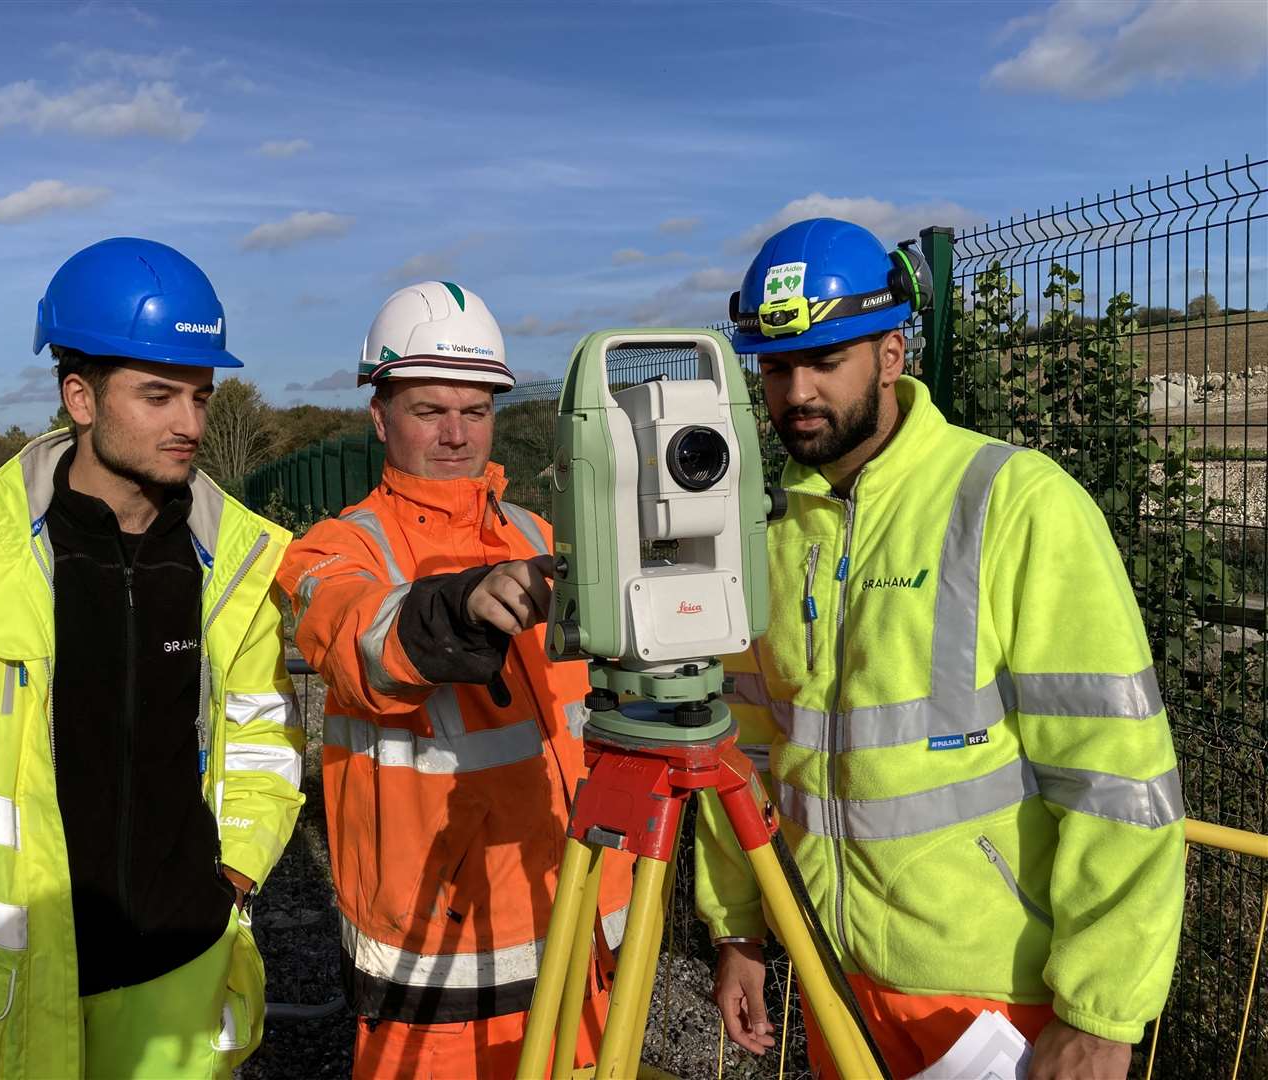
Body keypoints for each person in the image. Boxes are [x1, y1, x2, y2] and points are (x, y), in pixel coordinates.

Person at [698, 218, 1184, 1079]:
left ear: (891, 354)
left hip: (997, 996)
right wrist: (739, 927)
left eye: (825, 361)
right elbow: (746, 748)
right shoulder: (769, 535)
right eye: (776, 368)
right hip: (833, 977)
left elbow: (1117, 773)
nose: (796, 392)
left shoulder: (1013, 502)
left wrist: (1104, 1013)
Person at [0, 237, 305, 1079]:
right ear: (79, 396)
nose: (190, 425)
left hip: (182, 979)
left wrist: (231, 874)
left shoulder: (234, 561)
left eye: (201, 396)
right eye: (159, 395)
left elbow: (265, 734)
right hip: (11, 985)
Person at [277, 280, 632, 1078]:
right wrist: (459, 607)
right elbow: (362, 638)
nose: (455, 434)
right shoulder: (335, 549)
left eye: (475, 411)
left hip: (575, 922)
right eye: (429, 411)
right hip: (440, 963)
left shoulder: (537, 533)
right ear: (379, 416)